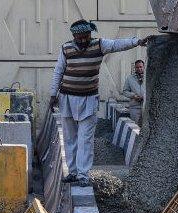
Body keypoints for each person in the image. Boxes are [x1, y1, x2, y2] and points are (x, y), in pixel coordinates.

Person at [50, 20, 152, 187]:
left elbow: (118, 44)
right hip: (67, 99)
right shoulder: (66, 49)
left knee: (85, 139)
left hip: (89, 100)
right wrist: (53, 95)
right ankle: (73, 172)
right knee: (70, 138)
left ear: (90, 35)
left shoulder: (99, 45)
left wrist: (137, 42)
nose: (83, 41)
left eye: (86, 37)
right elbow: (58, 72)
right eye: (80, 38)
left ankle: (83, 175)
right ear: (74, 36)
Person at [121, 59, 146, 124]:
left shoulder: (148, 77)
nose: (139, 69)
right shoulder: (130, 78)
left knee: (146, 128)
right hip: (135, 108)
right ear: (135, 68)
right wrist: (133, 96)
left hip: (146, 107)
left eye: (141, 67)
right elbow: (125, 91)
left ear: (144, 67)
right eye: (137, 67)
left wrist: (145, 97)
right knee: (135, 128)